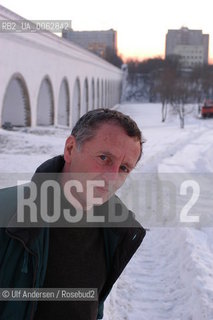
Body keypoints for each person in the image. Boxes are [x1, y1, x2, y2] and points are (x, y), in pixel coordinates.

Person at [0, 108, 146, 320]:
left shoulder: (115, 231)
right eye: (104, 158)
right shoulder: (8, 216)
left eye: (124, 168)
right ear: (70, 149)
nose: (111, 177)